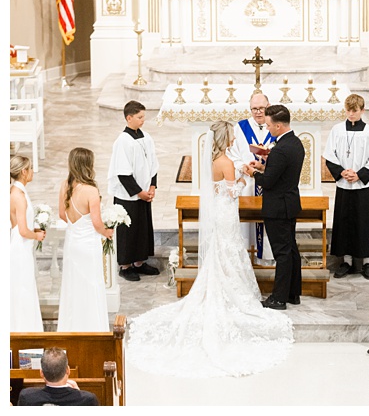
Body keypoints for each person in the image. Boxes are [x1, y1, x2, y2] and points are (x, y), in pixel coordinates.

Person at [126, 121, 293, 378]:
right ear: (225, 136)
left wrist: (241, 172)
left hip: (219, 210)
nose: (235, 136)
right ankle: (228, 289)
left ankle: (223, 282)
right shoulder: (225, 161)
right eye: (232, 134)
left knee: (223, 251)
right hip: (225, 212)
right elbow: (233, 192)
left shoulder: (217, 158)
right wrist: (245, 176)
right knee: (228, 250)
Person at [245, 104, 303, 309]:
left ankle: (278, 298)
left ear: (278, 126)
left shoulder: (280, 149)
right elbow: (282, 172)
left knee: (282, 253)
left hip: (277, 207)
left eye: (269, 125)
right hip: (290, 203)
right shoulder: (295, 143)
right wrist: (264, 166)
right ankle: (293, 293)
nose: (267, 128)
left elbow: (268, 182)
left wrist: (253, 173)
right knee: (291, 250)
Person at [323, 94, 369, 280]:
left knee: (364, 221)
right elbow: (329, 155)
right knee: (344, 221)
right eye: (348, 110)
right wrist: (342, 172)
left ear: (362, 110)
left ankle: (367, 262)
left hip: (362, 185)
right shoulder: (337, 130)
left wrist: (358, 175)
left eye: (354, 111)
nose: (351, 114)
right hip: (343, 184)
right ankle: (346, 261)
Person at [57, 148, 113, 332]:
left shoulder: (65, 185)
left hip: (72, 243)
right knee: (91, 285)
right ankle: (93, 328)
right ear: (88, 165)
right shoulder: (91, 190)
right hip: (88, 245)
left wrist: (77, 225)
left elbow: (61, 215)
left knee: (73, 287)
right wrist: (107, 232)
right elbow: (97, 222)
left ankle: (72, 328)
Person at [107, 100, 159, 282]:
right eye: (140, 117)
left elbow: (153, 163)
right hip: (128, 195)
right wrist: (139, 193)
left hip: (144, 193)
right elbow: (122, 173)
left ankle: (139, 262)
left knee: (142, 228)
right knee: (128, 230)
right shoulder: (123, 141)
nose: (143, 120)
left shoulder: (146, 137)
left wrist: (152, 186)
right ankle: (125, 265)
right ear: (129, 118)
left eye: (143, 116)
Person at [227, 92, 275, 264]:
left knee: (268, 220)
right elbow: (231, 152)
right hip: (248, 181)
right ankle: (246, 259)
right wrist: (242, 166)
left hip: (270, 181)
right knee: (246, 222)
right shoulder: (240, 127)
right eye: (254, 109)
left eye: (262, 108)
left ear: (268, 107)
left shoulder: (275, 126)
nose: (258, 112)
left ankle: (267, 258)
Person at [10, 155, 45, 331]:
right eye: (30, 168)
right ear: (24, 172)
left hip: (19, 245)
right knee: (23, 290)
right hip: (20, 249)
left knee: (22, 289)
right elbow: (23, 230)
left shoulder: (14, 191)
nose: (32, 172)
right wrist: (37, 236)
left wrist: (34, 230)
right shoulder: (19, 196)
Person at [16, 348, 99, 406]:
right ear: (68, 370)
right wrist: (78, 394)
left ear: (41, 373)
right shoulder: (88, 399)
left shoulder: (27, 397)